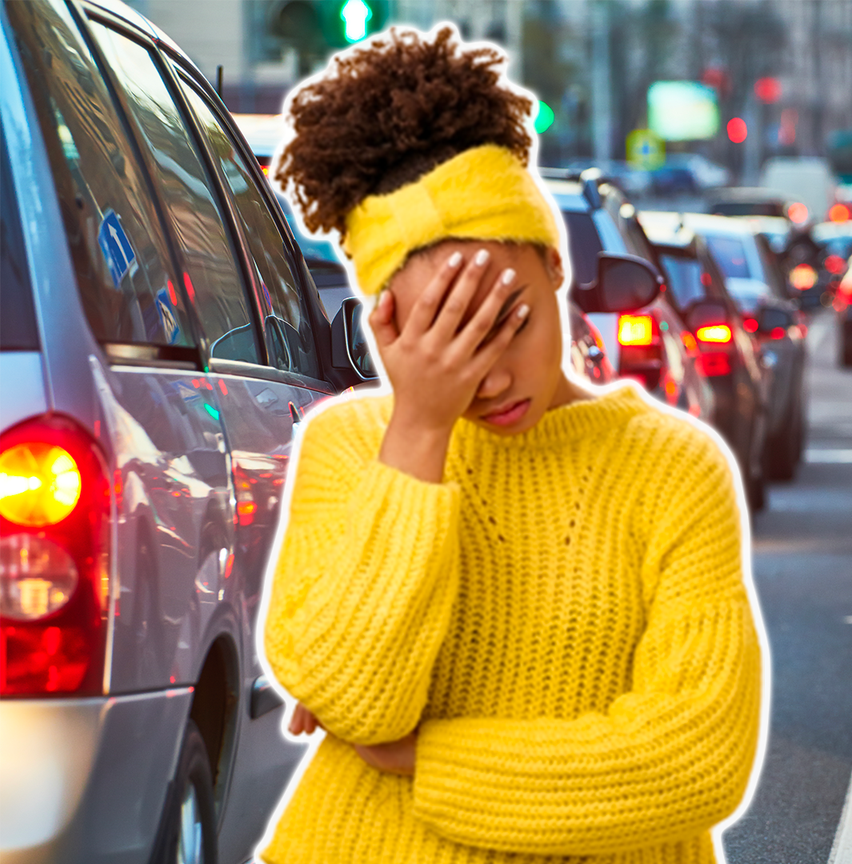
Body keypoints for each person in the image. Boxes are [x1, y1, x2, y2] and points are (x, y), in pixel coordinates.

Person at [258, 25, 764, 863]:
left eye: (504, 320)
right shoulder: (353, 446)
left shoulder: (672, 467)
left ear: (554, 267)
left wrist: (425, 759)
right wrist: (417, 428)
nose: (485, 375)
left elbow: (695, 760)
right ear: (386, 324)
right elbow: (358, 703)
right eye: (440, 334)